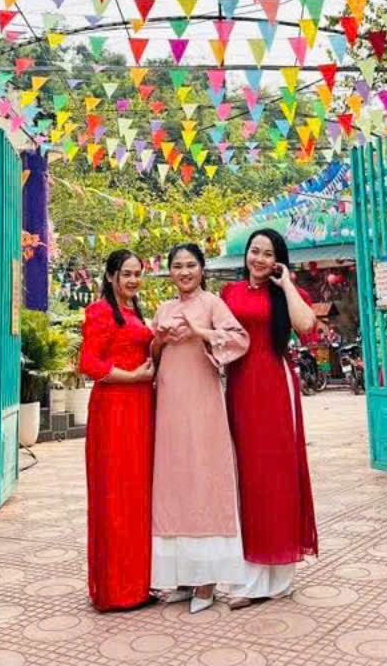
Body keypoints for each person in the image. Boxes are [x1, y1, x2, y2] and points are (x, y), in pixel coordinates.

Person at [219, 228, 319, 604]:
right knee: (245, 478)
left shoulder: (285, 294)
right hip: (238, 388)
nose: (258, 259)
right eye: (254, 251)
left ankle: (275, 578)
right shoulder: (229, 293)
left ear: (278, 260)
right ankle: (247, 574)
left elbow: (306, 326)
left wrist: (287, 284)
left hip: (275, 388)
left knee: (275, 477)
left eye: (267, 253)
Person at [150, 243, 250, 613]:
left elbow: (240, 340)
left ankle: (207, 581)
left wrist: (200, 332)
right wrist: (160, 339)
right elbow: (152, 355)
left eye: (191, 265)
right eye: (177, 266)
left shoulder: (212, 304)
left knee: (204, 479)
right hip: (169, 406)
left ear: (202, 269)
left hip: (203, 404)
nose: (184, 272)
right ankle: (181, 578)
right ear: (170, 272)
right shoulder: (163, 308)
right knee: (172, 483)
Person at [79, 249, 155, 612]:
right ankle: (117, 590)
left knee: (138, 494)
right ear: (110, 276)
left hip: (141, 409)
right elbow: (88, 362)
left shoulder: (134, 311)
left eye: (137, 273)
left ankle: (139, 583)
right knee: (117, 494)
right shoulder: (100, 311)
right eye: (126, 273)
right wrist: (132, 376)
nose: (133, 280)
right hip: (114, 411)